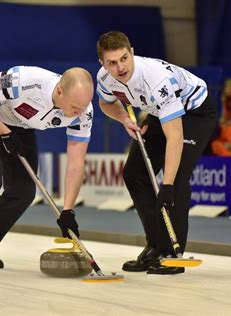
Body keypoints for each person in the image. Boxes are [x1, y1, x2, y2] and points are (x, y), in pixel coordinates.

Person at [0, 66, 94, 273]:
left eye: (84, 106)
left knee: (23, 192)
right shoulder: (24, 80)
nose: (80, 113)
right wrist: (3, 131)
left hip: (21, 127)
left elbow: (76, 162)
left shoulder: (84, 113)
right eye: (75, 107)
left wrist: (68, 210)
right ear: (59, 91)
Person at [96, 31, 217, 275]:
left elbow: (174, 137)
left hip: (194, 112)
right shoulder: (105, 78)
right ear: (102, 64)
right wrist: (123, 119)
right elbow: (106, 102)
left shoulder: (156, 80)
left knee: (178, 181)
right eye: (112, 63)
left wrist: (168, 186)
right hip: (157, 111)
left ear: (132, 53)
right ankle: (155, 246)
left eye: (123, 59)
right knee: (134, 173)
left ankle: (172, 254)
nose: (120, 68)